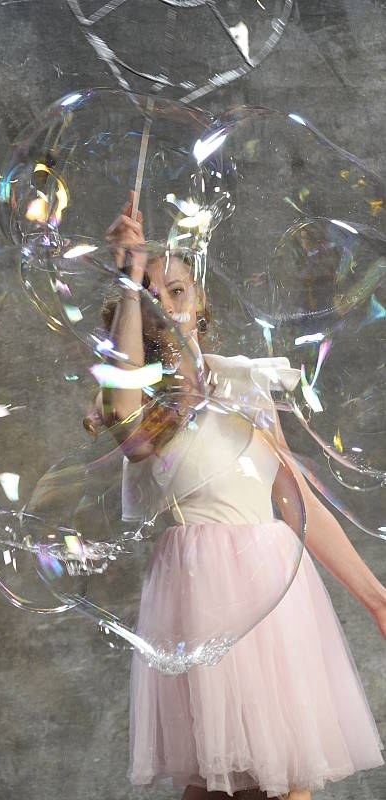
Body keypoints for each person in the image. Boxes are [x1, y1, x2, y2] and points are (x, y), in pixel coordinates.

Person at [91, 195, 386, 800]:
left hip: (276, 597)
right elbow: (125, 423)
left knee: (285, 782)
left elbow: (298, 502)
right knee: (223, 786)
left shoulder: (244, 383)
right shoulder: (141, 400)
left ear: (200, 302)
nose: (165, 304)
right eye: (148, 296)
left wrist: (377, 598)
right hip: (204, 598)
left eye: (177, 290)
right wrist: (127, 280)